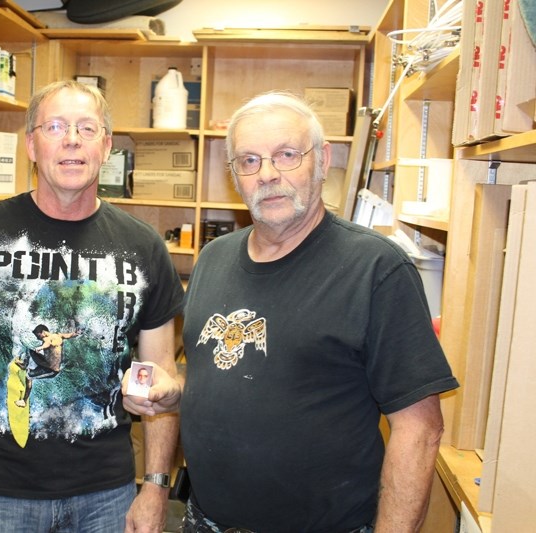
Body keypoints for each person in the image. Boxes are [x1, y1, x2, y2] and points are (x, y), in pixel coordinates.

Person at [0, 80, 185, 533]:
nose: (72, 139)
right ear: (31, 145)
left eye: (86, 128)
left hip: (106, 493)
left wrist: (154, 488)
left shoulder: (143, 247)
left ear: (106, 146)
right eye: (54, 127)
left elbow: (161, 379)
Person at [178, 91, 459, 533]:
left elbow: (419, 431)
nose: (267, 174)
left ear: (323, 159)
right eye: (248, 161)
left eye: (286, 155)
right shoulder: (213, 259)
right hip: (207, 521)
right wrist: (170, 391)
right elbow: (213, 378)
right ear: (234, 175)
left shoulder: (377, 269)